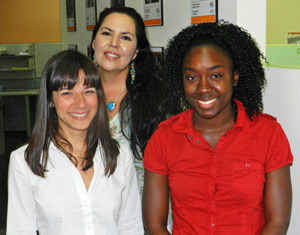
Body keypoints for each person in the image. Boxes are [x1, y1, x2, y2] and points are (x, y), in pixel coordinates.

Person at [143, 21, 293, 234]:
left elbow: (278, 223)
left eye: (216, 76)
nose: (203, 88)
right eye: (192, 77)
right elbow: (154, 225)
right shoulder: (165, 138)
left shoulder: (268, 133)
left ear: (235, 77)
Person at [7, 50, 144, 235]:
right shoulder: (25, 161)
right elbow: (21, 230)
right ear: (50, 100)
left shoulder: (120, 156)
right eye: (67, 93)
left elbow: (131, 227)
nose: (80, 103)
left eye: (88, 91)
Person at [91, 7, 167, 195]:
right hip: (88, 210)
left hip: (141, 210)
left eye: (125, 37)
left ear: (135, 52)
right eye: (106, 33)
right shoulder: (73, 94)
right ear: (94, 42)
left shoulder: (156, 99)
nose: (114, 43)